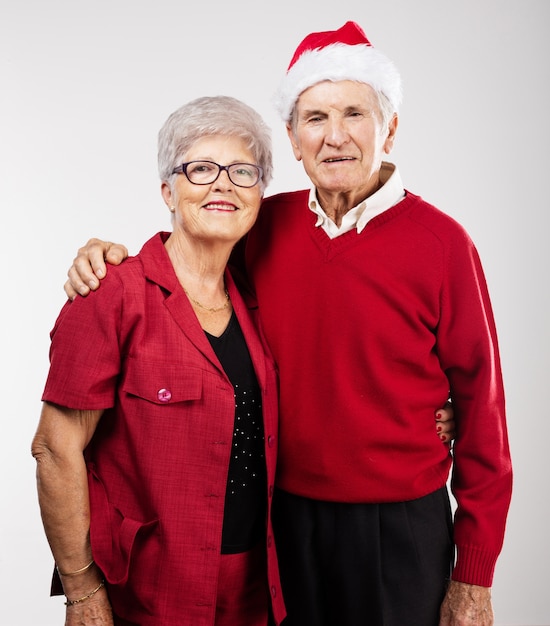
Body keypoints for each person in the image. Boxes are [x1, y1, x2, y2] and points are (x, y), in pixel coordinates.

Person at [59, 21, 500, 626]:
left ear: (389, 128)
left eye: (355, 113)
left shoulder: (444, 244)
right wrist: (102, 255)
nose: (335, 136)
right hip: (281, 522)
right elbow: (187, 254)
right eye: (315, 118)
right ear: (293, 140)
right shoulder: (263, 224)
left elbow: (484, 413)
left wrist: (474, 574)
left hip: (397, 525)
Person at [31, 95, 287, 626]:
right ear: (168, 191)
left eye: (243, 171)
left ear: (260, 193)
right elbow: (56, 450)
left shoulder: (261, 297)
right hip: (149, 594)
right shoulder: (112, 293)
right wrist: (82, 592)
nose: (223, 184)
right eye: (201, 169)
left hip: (258, 592)